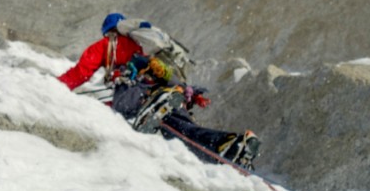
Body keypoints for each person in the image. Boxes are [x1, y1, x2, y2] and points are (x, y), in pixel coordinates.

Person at [59, 12, 260, 169]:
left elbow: (80, 73)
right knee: (181, 129)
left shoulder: (108, 44)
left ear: (108, 30)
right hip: (167, 88)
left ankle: (155, 103)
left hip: (138, 91)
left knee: (130, 106)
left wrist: (51, 86)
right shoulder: (147, 44)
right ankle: (228, 144)